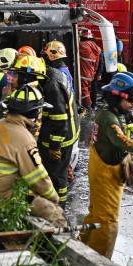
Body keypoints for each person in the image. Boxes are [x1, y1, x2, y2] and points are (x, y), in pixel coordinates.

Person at [80, 72, 133, 258]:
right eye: (131, 100)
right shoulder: (108, 118)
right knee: (107, 221)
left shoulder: (113, 114)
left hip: (104, 167)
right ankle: (97, 260)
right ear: (117, 98)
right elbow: (119, 139)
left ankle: (81, 245)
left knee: (95, 212)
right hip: (105, 173)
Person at [0, 85, 67, 229]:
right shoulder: (24, 138)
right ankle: (60, 247)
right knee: (54, 214)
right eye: (39, 112)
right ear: (32, 114)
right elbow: (38, 178)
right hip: (3, 197)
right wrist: (54, 200)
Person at [39, 41, 78, 204]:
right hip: (68, 133)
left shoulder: (54, 79)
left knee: (57, 176)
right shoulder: (63, 72)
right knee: (59, 171)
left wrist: (55, 145)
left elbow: (58, 116)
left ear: (50, 55)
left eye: (44, 56)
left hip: (61, 137)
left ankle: (58, 207)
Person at [78, 28, 101, 110]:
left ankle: (88, 107)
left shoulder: (83, 45)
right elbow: (98, 62)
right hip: (91, 73)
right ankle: (90, 106)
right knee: (88, 89)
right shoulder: (96, 47)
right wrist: (96, 73)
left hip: (83, 72)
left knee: (83, 90)